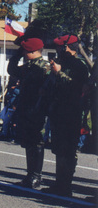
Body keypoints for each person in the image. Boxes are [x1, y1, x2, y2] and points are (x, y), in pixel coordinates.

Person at [43, 34, 89, 196]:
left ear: (67, 48)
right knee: (58, 148)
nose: (57, 51)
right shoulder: (63, 63)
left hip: (71, 112)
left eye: (59, 47)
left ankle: (65, 186)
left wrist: (59, 73)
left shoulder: (79, 65)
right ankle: (59, 183)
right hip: (58, 110)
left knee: (68, 149)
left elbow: (78, 88)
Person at [7, 37, 50, 189]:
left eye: (25, 50)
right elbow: (12, 70)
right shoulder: (28, 66)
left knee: (36, 141)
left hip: (38, 109)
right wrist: (17, 54)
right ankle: (30, 175)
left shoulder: (45, 67)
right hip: (26, 108)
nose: (24, 52)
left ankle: (36, 176)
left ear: (32, 51)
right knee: (28, 142)